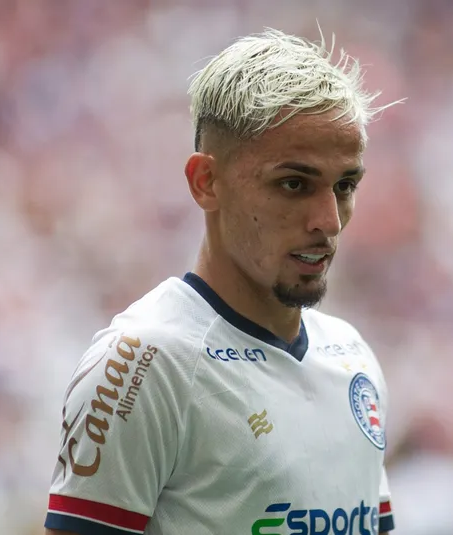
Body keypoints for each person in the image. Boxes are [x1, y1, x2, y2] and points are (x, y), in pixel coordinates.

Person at [44, 27, 398, 535]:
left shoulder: (352, 356)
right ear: (206, 182)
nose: (329, 221)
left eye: (344, 186)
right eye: (293, 184)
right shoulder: (144, 364)